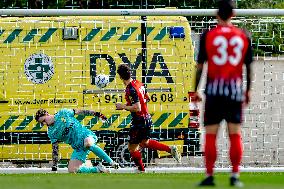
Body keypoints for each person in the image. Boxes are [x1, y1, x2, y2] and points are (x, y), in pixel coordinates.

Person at [195, 0, 253, 187]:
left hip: (214, 91)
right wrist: (248, 90)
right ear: (233, 15)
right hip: (234, 91)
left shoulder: (208, 35)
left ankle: (210, 175)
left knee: (211, 134)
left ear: (217, 15)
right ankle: (235, 176)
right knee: (235, 134)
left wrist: (196, 89)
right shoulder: (243, 35)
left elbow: (200, 67)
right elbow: (249, 67)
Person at [115, 64, 181, 172]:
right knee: (144, 142)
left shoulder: (130, 89)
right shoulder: (139, 83)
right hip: (147, 119)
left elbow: (137, 108)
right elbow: (148, 98)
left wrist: (122, 106)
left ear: (120, 77)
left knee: (131, 148)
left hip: (139, 121)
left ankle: (141, 170)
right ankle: (170, 149)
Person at [35, 108, 119, 173]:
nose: (44, 124)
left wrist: (98, 114)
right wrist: (54, 166)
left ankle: (111, 162)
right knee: (72, 170)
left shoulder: (63, 113)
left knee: (88, 143)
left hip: (86, 135)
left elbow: (81, 112)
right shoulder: (51, 132)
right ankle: (98, 169)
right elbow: (55, 149)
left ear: (47, 114)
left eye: (44, 120)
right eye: (42, 123)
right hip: (78, 147)